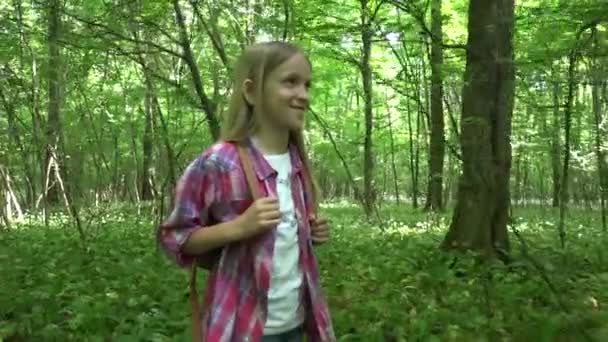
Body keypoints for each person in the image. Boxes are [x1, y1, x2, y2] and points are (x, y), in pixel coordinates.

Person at [157, 41, 336, 342]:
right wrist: (239, 227)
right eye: (290, 82)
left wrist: (310, 233)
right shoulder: (218, 163)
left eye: (307, 85)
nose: (303, 95)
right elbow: (174, 238)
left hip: (295, 323)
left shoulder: (297, 164)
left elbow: (281, 246)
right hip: (240, 328)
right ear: (251, 92)